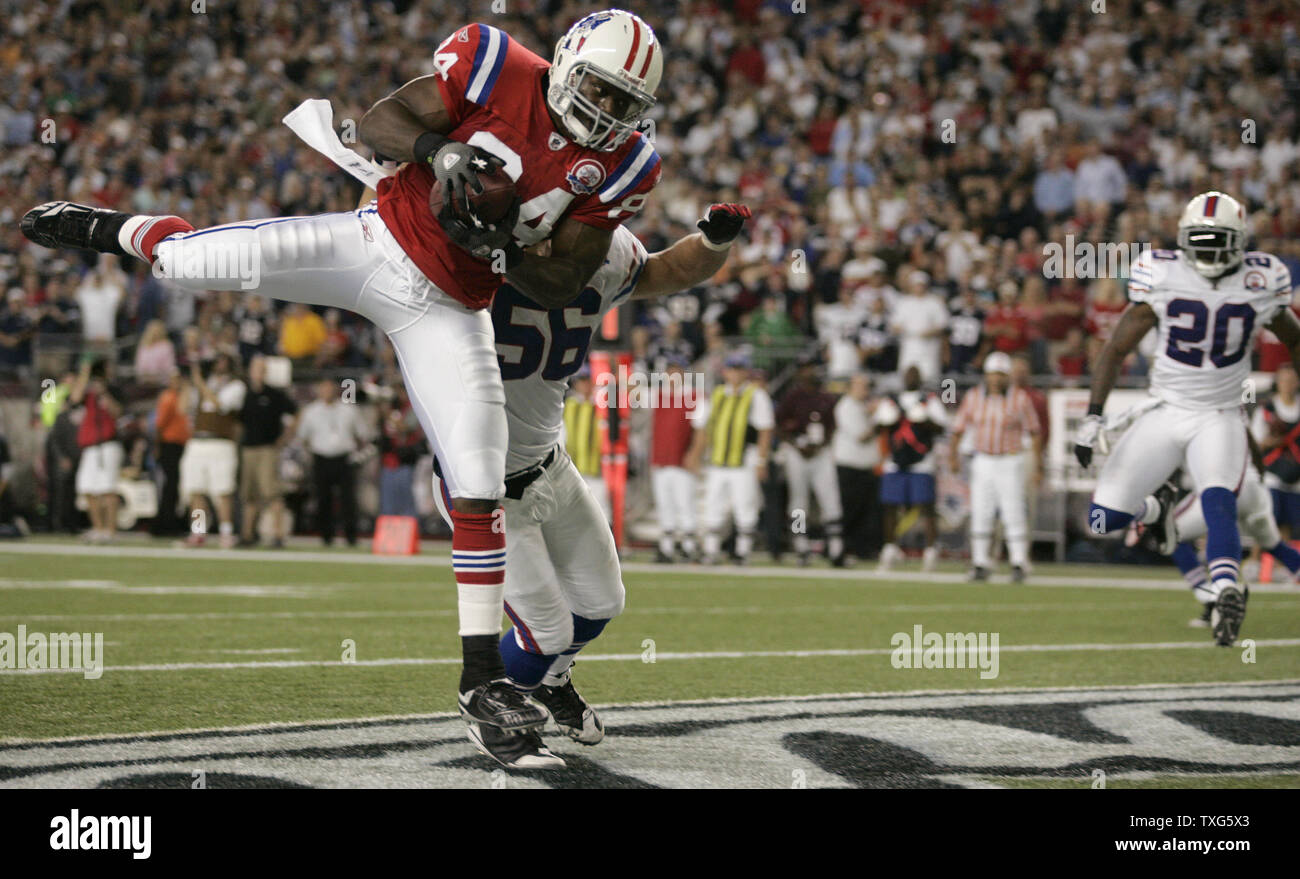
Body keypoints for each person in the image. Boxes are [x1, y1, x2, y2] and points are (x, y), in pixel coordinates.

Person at [21, 9, 665, 739]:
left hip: (452, 307)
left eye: (624, 103)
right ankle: (106, 226)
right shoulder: (497, 64)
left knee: (478, 477)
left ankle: (479, 677)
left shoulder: (625, 164)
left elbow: (567, 278)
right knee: (190, 264)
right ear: (568, 61)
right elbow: (377, 123)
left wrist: (501, 248)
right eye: (600, 90)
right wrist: (441, 155)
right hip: (376, 244)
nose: (606, 111)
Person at [432, 207, 750, 767]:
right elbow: (395, 237)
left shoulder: (604, 247)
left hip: (548, 462)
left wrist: (713, 241)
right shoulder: (481, 249)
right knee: (547, 628)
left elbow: (667, 271)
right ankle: (488, 712)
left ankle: (550, 682)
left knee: (603, 601)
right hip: (482, 481)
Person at [1073, 191, 1299, 648]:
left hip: (1219, 416)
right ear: (1183, 240)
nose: (1209, 251)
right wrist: (1092, 417)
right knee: (1099, 520)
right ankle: (1155, 510)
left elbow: (1296, 340)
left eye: (1218, 241)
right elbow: (1115, 348)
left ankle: (1226, 589)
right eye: (1201, 241)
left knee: (1219, 502)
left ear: (1238, 242)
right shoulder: (1163, 273)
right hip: (1165, 409)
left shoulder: (1261, 279)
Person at [948, 352, 1043, 582]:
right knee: (981, 510)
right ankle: (980, 562)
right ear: (986, 375)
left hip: (1010, 459)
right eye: (992, 374)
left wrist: (1038, 465)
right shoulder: (973, 397)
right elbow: (959, 428)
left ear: (1007, 376)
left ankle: (1019, 562)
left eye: (1000, 375)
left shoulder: (1020, 398)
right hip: (983, 459)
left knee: (1013, 511)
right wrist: (953, 456)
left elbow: (1035, 432)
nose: (996, 380)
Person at [687, 349, 774, 566]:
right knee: (713, 506)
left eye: (739, 369)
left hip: (744, 460)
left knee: (745, 507)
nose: (735, 374)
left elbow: (765, 430)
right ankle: (711, 551)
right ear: (725, 372)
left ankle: (742, 552)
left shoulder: (756, 395)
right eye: (732, 369)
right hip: (717, 461)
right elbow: (701, 428)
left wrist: (762, 461)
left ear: (746, 372)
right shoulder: (715, 395)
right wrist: (695, 455)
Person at [876, 365, 948, 572]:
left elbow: (942, 428)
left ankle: (930, 551)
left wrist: (925, 420)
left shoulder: (930, 401)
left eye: (915, 375)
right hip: (895, 461)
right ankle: (889, 548)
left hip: (921, 462)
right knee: (890, 506)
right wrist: (889, 420)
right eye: (908, 374)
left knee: (926, 506)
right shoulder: (891, 401)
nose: (911, 378)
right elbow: (878, 427)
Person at [776, 356, 844, 565]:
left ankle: (835, 548)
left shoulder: (826, 397)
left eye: (811, 368)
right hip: (797, 453)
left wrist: (820, 445)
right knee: (798, 501)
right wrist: (797, 444)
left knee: (830, 498)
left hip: (820, 453)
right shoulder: (792, 397)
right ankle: (801, 546)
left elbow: (833, 427)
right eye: (805, 368)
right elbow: (778, 426)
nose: (809, 372)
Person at [296, 379, 372, 547]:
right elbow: (302, 438)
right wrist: (308, 456)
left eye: (330, 389)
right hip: (321, 457)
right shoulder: (311, 411)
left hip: (344, 458)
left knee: (348, 499)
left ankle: (350, 535)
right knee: (323, 499)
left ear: (336, 391)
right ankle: (326, 536)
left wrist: (359, 455)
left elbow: (362, 435)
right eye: (324, 389)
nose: (327, 392)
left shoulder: (349, 410)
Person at [180, 354, 245, 548]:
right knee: (195, 490)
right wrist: (187, 383)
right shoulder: (203, 385)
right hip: (198, 442)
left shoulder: (236, 386)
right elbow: (183, 408)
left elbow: (220, 405)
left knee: (223, 490)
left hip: (221, 443)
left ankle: (226, 532)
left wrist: (199, 382)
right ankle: (198, 532)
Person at [239, 355, 298, 547]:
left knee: (272, 492)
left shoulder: (275, 395)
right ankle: (247, 534)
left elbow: (295, 411)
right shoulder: (245, 394)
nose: (258, 373)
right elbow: (237, 421)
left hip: (267, 449)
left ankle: (278, 534)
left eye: (261, 369)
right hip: (249, 448)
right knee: (250, 494)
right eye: (255, 369)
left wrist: (285, 437)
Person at [649, 355, 700, 563]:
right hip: (661, 459)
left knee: (685, 504)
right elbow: (630, 393)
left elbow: (701, 429)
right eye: (670, 371)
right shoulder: (658, 395)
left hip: (681, 459)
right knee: (665, 504)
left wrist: (694, 454)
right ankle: (667, 547)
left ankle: (689, 547)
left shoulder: (694, 397)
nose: (672, 375)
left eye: (676, 371)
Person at [69, 359, 123, 543]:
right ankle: (98, 528)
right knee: (87, 488)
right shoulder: (88, 391)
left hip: (107, 444)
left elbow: (118, 412)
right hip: (90, 446)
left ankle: (111, 530)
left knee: (108, 489)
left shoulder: (113, 388)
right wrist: (84, 374)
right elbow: (75, 397)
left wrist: (105, 394)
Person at [833, 373, 883, 562]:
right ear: (850, 387)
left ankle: (862, 548)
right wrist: (880, 420)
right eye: (861, 386)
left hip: (865, 467)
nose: (865, 390)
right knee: (849, 510)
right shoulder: (846, 406)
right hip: (849, 466)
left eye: (867, 386)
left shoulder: (862, 406)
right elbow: (862, 436)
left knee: (865, 511)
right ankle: (843, 548)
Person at [1252, 362, 1300, 540]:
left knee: (1288, 522)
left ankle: (1281, 565)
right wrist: (1270, 442)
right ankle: (1256, 561)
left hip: (1295, 475)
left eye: (1292, 380)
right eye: (1284, 380)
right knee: (1268, 519)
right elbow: (1255, 444)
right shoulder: (1266, 409)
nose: (1287, 384)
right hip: (1272, 472)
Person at [562, 366, 610, 524]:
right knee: (574, 508)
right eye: (580, 381)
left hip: (597, 465)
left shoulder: (602, 404)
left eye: (586, 380)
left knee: (601, 506)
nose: (583, 385)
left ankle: (609, 544)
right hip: (574, 466)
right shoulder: (569, 404)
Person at [151, 370, 191, 537]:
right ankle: (166, 522)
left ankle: (171, 521)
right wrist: (158, 446)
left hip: (180, 444)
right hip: (170, 444)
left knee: (175, 485)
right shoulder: (169, 398)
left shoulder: (180, 397)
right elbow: (160, 425)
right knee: (170, 485)